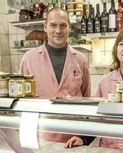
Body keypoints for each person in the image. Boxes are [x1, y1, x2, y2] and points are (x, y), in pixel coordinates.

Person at [19, 7, 91, 143]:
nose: (58, 31)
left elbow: (86, 99)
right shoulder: (29, 58)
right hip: (41, 136)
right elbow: (22, 101)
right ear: (45, 27)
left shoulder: (80, 59)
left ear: (69, 28)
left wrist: (83, 137)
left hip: (72, 137)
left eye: (63, 26)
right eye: (53, 25)